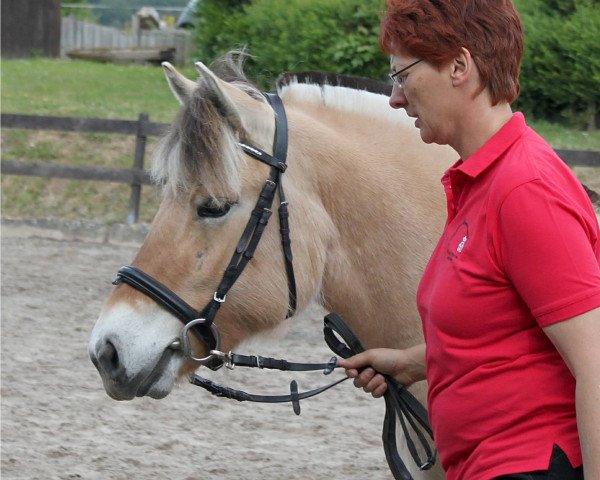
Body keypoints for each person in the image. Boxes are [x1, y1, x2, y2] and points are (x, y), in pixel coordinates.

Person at [336, 1, 600, 479]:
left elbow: (596, 365)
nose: (395, 98)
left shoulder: (524, 190)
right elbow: (509, 330)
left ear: (460, 66)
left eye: (403, 76)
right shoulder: (481, 182)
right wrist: (415, 363)